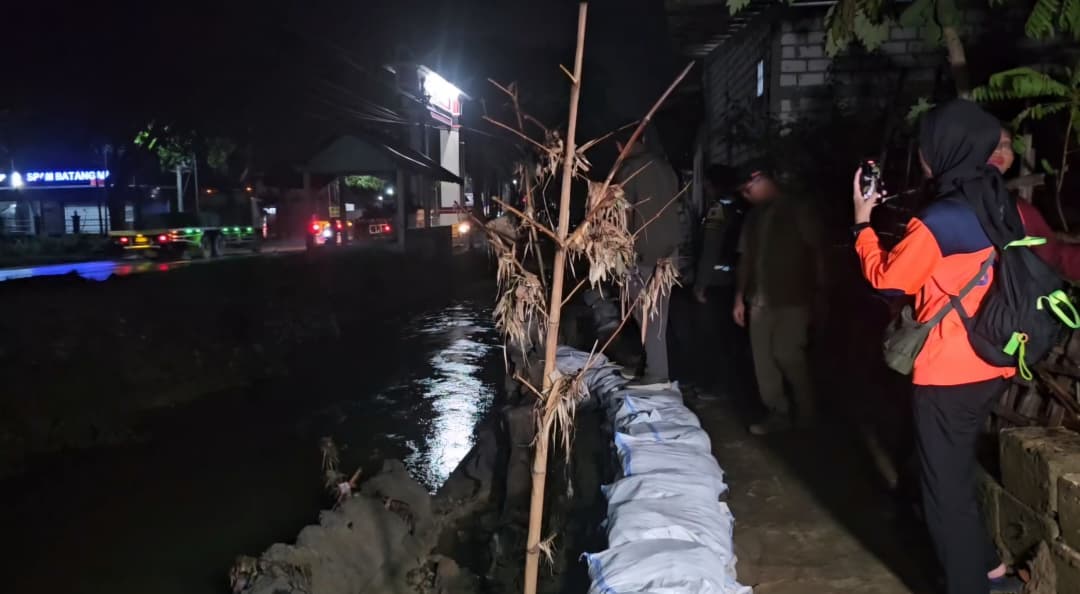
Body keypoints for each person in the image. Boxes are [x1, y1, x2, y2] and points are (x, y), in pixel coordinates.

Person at [852, 100, 1023, 594]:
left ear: (944, 149)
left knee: (941, 492)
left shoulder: (941, 218)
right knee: (955, 471)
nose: (923, 157)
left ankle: (969, 586)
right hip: (993, 359)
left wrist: (863, 223)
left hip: (948, 371)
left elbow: (888, 280)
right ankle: (990, 570)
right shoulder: (995, 199)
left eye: (926, 149)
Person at [733, 168, 824, 434]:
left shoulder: (798, 209)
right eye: (742, 192)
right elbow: (745, 260)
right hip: (758, 300)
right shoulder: (753, 217)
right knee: (763, 362)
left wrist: (821, 291)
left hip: (792, 298)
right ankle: (778, 412)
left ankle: (807, 411)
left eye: (749, 189)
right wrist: (739, 298)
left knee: (787, 353)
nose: (746, 196)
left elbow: (817, 252)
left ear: (765, 180)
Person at [615, 127, 682, 386]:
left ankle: (657, 372)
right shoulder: (666, 168)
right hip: (670, 252)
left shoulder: (630, 170)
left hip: (644, 253)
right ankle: (652, 365)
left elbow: (623, 214)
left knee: (647, 314)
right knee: (655, 314)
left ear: (621, 146)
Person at [991, 127, 1080, 280]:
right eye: (991, 144)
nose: (1001, 150)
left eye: (1007, 144)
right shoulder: (948, 204)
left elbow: (1052, 254)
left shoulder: (1019, 209)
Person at [692, 164, 747, 401]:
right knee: (729, 339)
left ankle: (716, 387)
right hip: (734, 281)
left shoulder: (717, 209)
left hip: (716, 282)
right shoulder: (741, 207)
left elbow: (710, 248)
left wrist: (700, 283)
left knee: (713, 339)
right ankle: (730, 387)